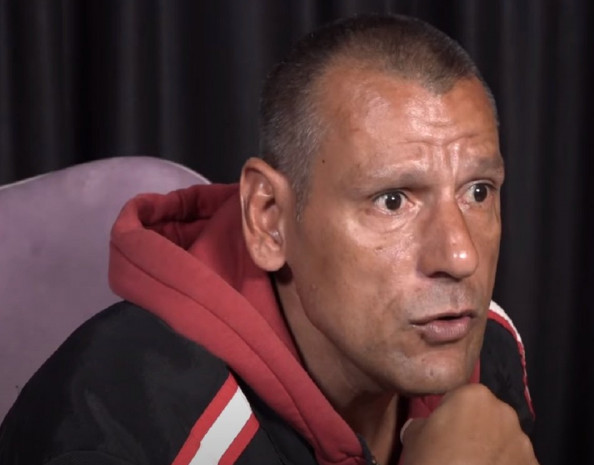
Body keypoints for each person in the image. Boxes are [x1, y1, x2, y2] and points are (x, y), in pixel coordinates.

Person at [0, 13, 537, 465]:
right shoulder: (113, 425)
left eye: (478, 192)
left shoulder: (480, 342)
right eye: (393, 200)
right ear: (269, 218)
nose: (460, 256)